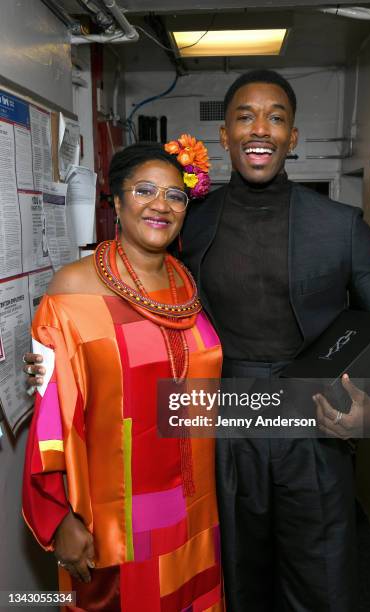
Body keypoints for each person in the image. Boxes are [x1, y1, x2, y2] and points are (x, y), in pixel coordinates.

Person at [25, 70, 370, 612]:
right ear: (224, 136)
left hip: (315, 425)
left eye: (276, 117)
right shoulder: (189, 222)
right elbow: (140, 309)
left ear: (293, 137)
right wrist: (55, 358)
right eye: (245, 116)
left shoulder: (340, 225)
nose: (261, 129)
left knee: (320, 586)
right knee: (232, 582)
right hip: (219, 427)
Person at [22, 142, 224, 611]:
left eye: (176, 195)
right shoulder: (74, 288)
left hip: (193, 508)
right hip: (114, 518)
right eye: (145, 190)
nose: (161, 204)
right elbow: (51, 418)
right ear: (116, 202)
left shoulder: (187, 282)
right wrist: (58, 519)